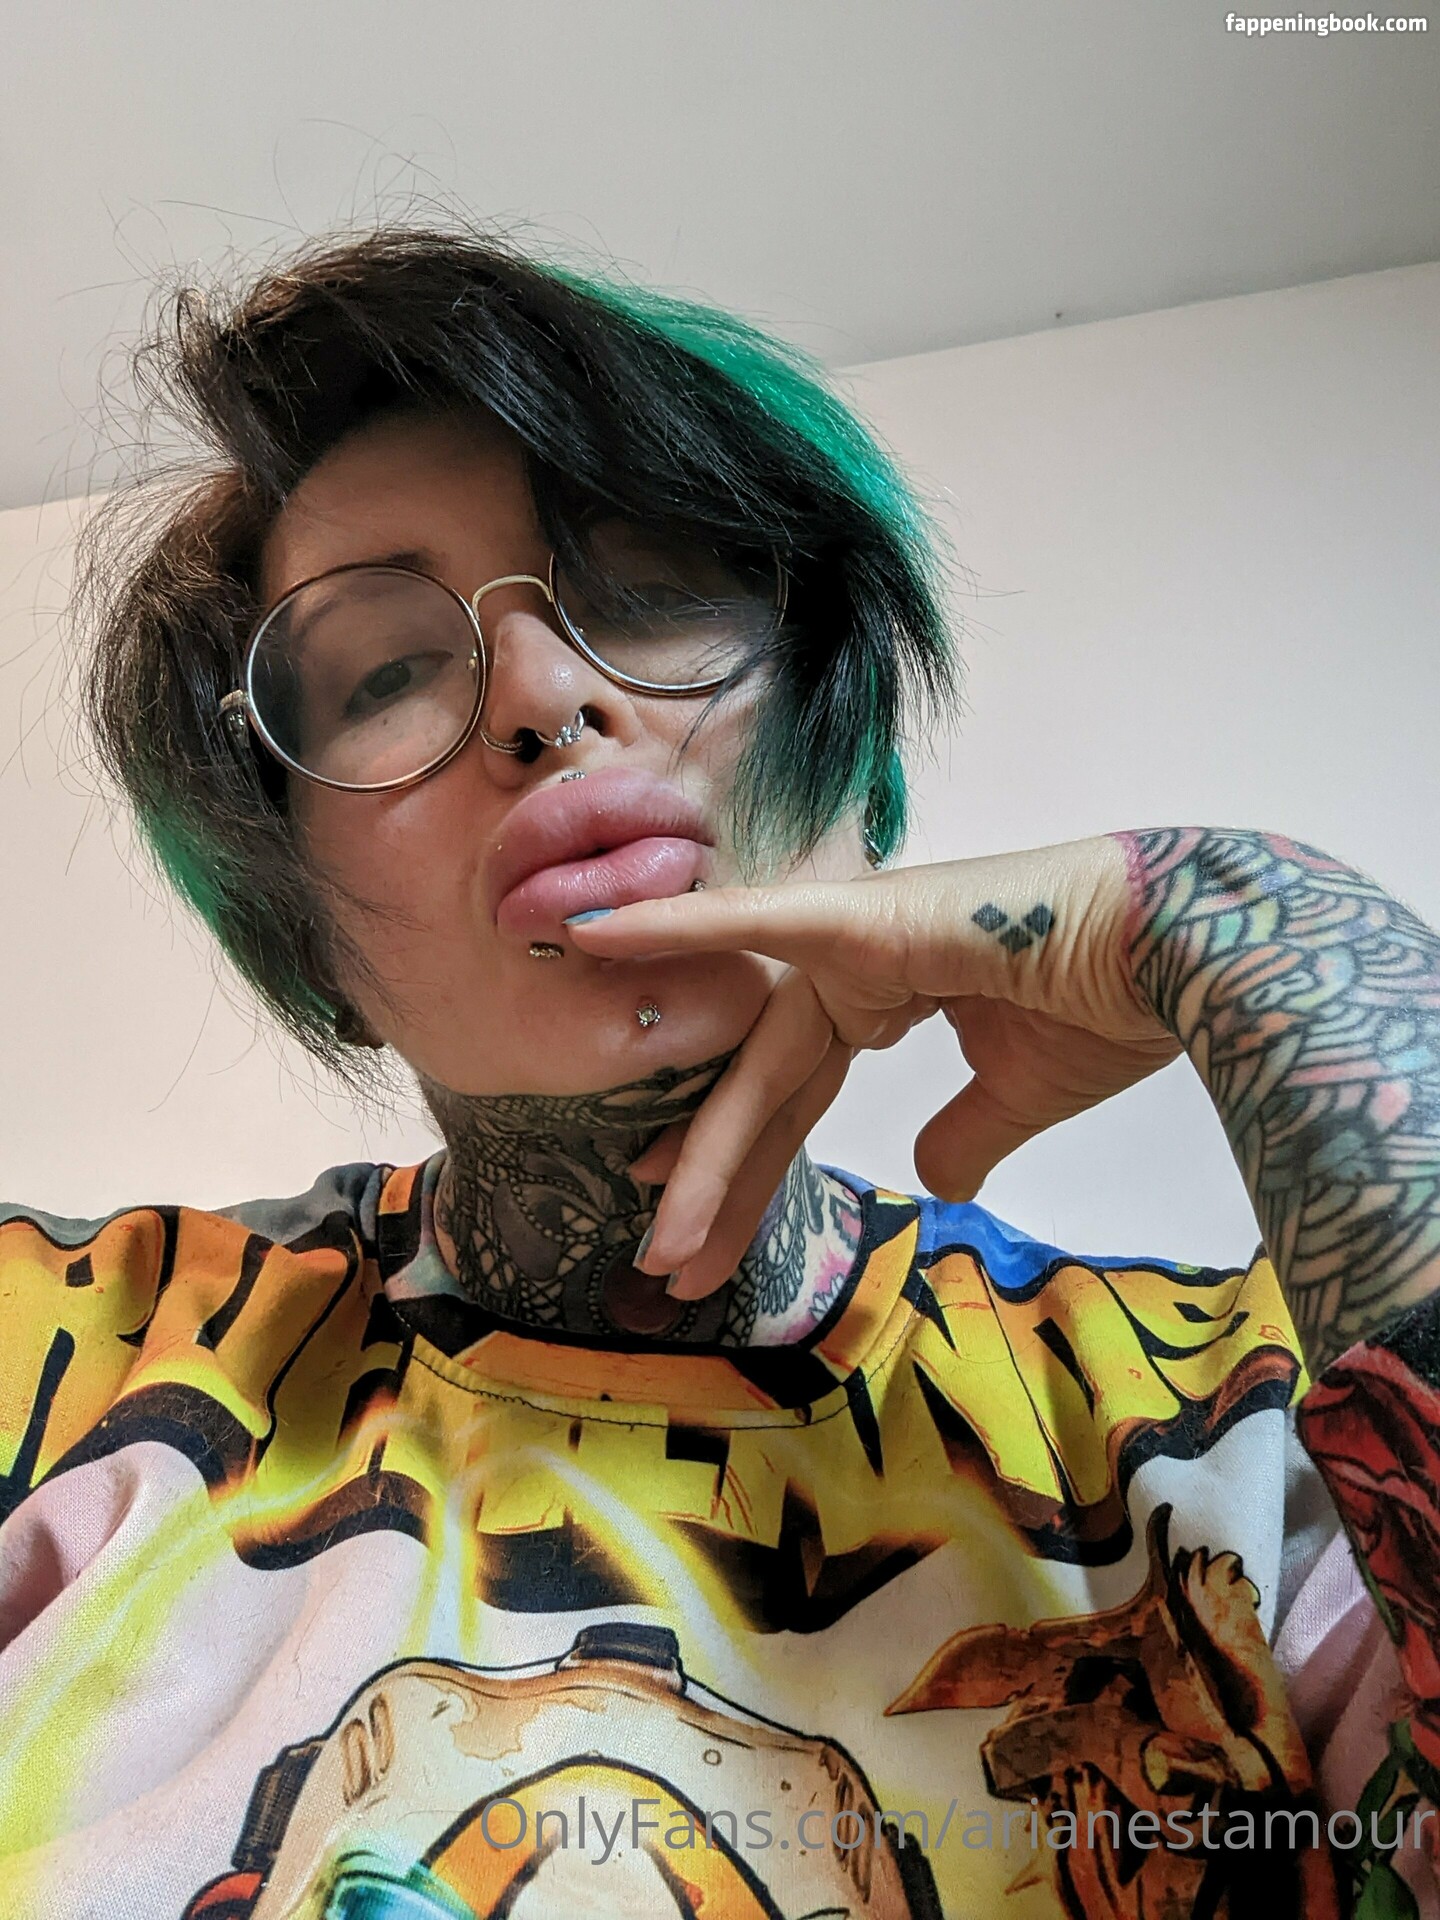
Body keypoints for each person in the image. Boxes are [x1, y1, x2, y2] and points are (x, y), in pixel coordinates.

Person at [0, 228, 1435, 1920]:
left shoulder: (1249, 1440)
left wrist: (1257, 925)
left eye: (648, 587)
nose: (543, 693)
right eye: (383, 674)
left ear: (865, 782)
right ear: (310, 938)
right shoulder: (66, 1368)